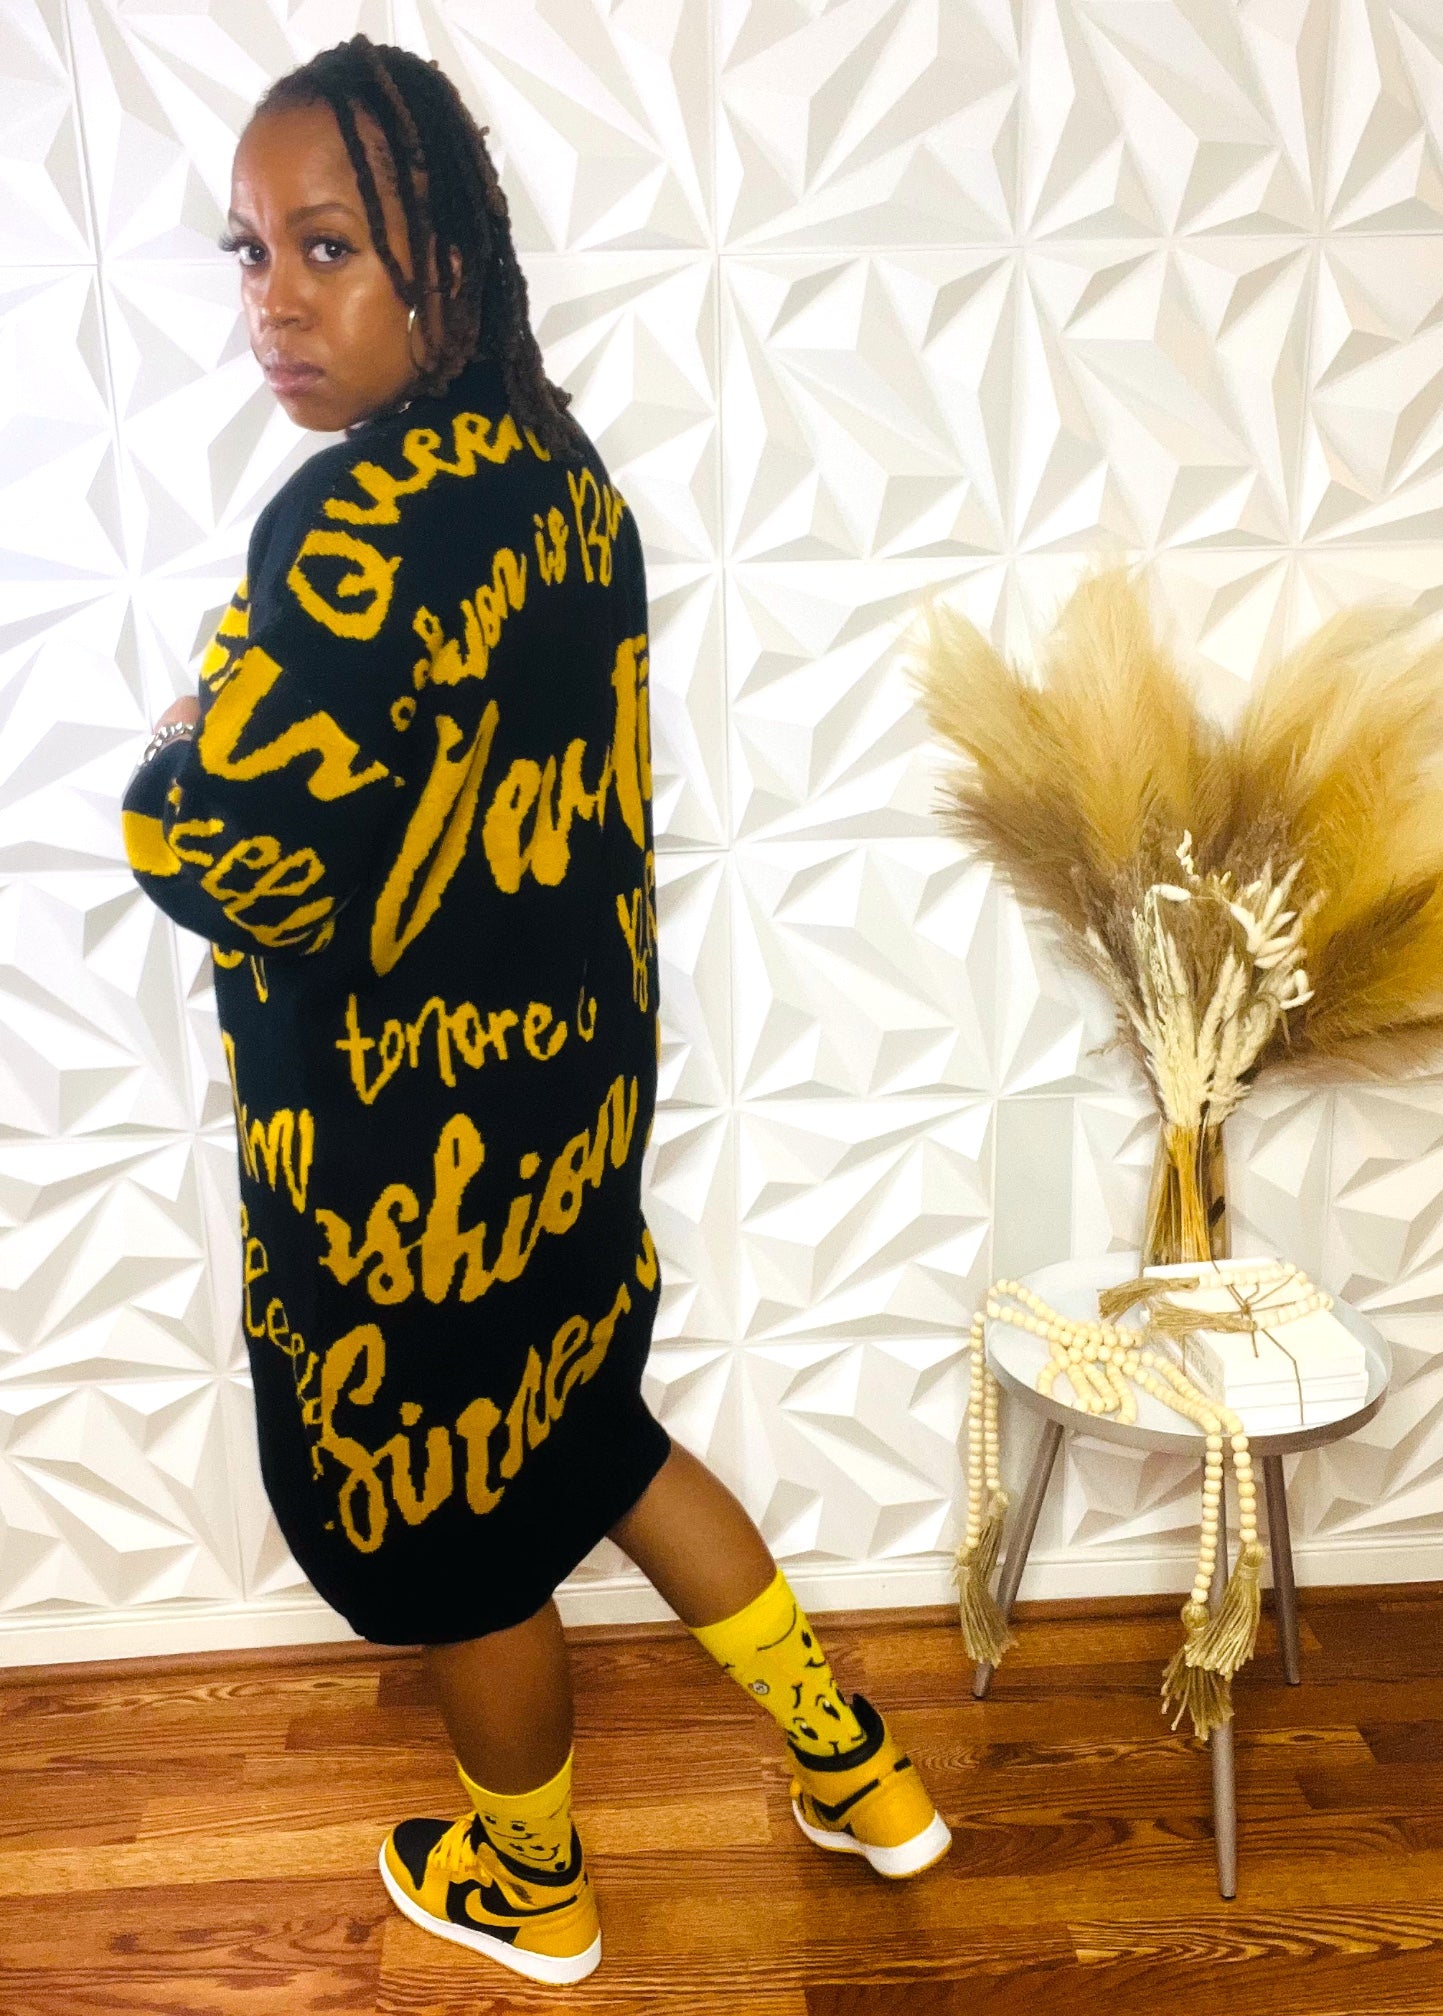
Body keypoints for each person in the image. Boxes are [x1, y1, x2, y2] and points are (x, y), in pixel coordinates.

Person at [120, 35, 949, 1987]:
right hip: (566, 1116)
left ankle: (532, 1884)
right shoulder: (570, 489)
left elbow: (238, 855)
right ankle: (862, 1772)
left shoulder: (344, 528)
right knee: (593, 1434)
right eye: (248, 250)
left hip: (407, 1163)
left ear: (449, 255)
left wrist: (172, 762)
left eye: (329, 245)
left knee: (468, 1535)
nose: (275, 301)